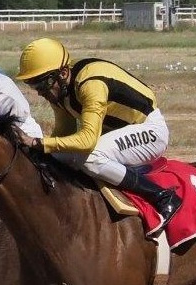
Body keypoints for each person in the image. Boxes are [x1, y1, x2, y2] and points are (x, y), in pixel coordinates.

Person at [14, 38, 181, 234]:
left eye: (44, 84)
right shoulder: (60, 92)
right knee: (56, 158)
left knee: (91, 158)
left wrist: (37, 142)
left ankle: (162, 196)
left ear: (63, 72)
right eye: (35, 86)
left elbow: (86, 141)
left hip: (150, 131)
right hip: (119, 133)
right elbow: (64, 133)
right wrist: (39, 154)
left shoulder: (90, 84)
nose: (41, 92)